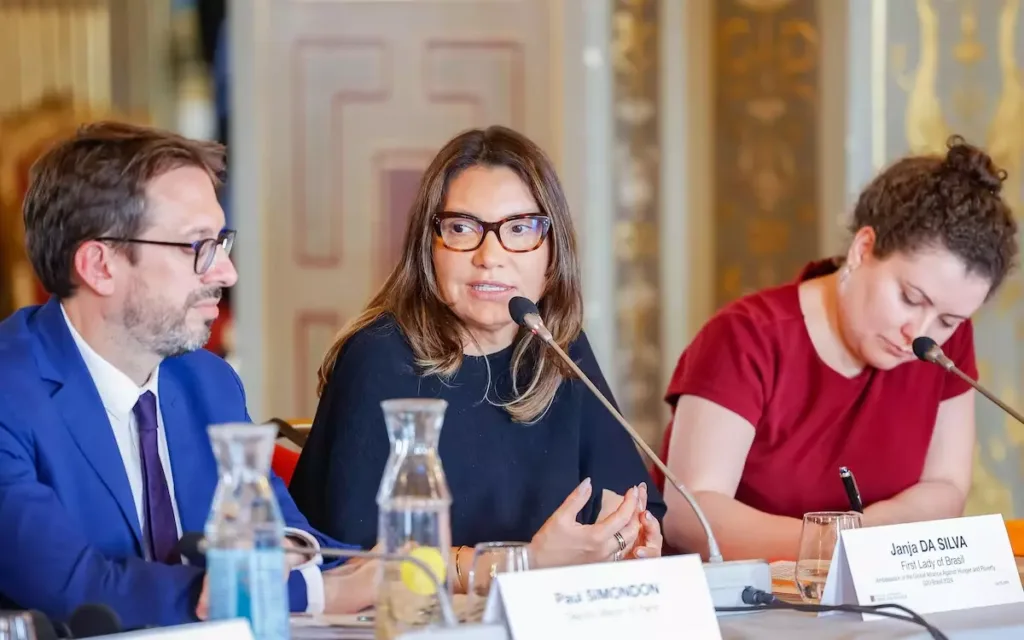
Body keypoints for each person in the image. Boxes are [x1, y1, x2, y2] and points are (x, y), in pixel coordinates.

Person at [0, 122, 377, 628]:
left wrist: (421, 568)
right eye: (196, 245)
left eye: (222, 242)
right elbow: (74, 588)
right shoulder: (11, 390)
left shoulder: (208, 383)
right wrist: (309, 590)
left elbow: (290, 541)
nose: (226, 273)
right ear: (99, 265)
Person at [289, 125, 664, 588]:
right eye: (463, 228)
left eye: (520, 229)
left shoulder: (558, 346)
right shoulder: (378, 358)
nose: (490, 255)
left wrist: (627, 540)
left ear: (552, 254)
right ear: (430, 248)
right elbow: (350, 559)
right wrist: (526, 564)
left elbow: (634, 504)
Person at [656, 135, 1018, 561]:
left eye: (948, 320)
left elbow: (946, 487)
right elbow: (689, 513)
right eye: (910, 298)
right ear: (863, 249)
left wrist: (868, 536)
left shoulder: (943, 347)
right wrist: (843, 543)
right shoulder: (745, 337)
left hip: (872, 601)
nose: (918, 333)